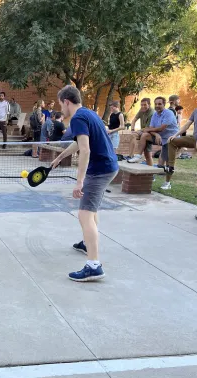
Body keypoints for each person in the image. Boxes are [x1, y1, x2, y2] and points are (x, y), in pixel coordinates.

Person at [50, 86, 119, 282]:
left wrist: (79, 182)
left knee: (84, 214)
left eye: (60, 104)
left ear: (66, 101)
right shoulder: (88, 113)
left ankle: (94, 266)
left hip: (99, 170)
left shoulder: (78, 118)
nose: (61, 109)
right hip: (108, 166)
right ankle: (88, 244)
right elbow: (79, 144)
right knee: (91, 211)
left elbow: (85, 150)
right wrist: (60, 156)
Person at [127, 97, 178, 167]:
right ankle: (138, 156)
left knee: (165, 164)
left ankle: (168, 172)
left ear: (164, 104)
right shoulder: (155, 114)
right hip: (160, 137)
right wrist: (156, 134)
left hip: (170, 139)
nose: (157, 106)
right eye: (156, 104)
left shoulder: (169, 113)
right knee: (144, 135)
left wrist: (148, 130)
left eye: (159, 104)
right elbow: (151, 128)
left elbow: (161, 128)